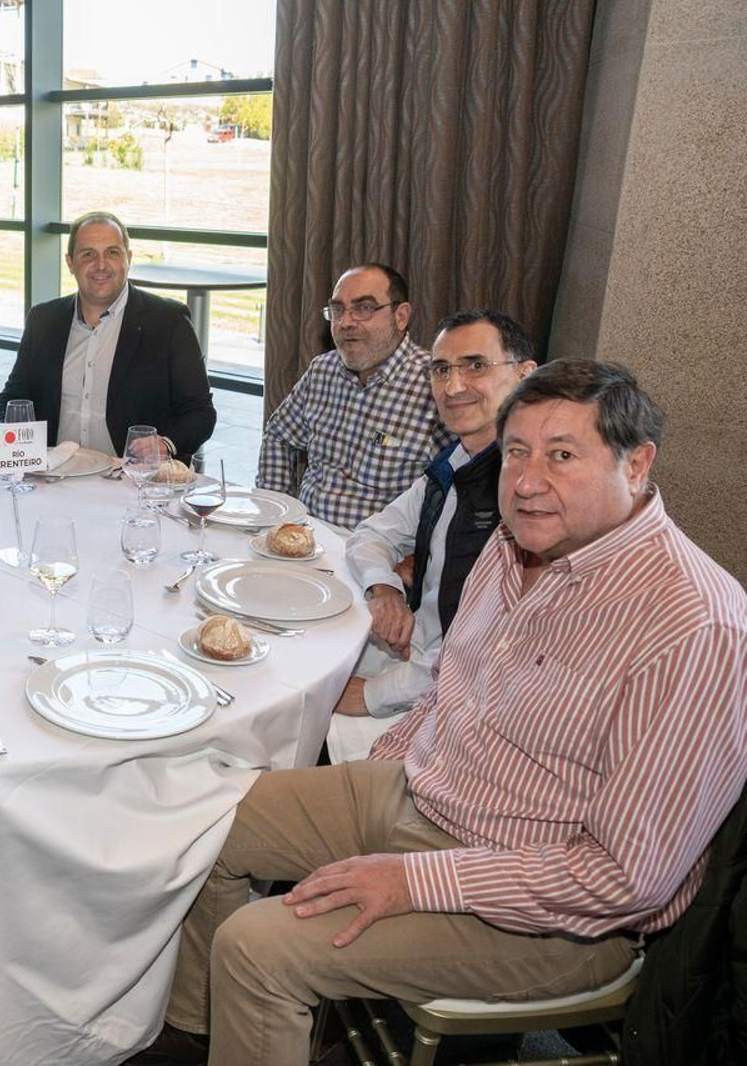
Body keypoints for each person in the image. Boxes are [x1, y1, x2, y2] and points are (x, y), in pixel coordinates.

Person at [149, 359, 747, 1066]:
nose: (526, 482)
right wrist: (382, 764)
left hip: (553, 919)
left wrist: (415, 879)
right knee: (207, 822)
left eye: (562, 455)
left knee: (259, 947)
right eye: (516, 452)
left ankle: (249, 1017)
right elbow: (456, 684)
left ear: (637, 463)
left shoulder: (692, 626)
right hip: (429, 792)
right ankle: (205, 1033)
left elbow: (625, 878)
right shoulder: (515, 542)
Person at [328, 309, 536, 763]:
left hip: (459, 703)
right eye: (442, 370)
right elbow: (371, 535)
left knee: (308, 723)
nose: (454, 386)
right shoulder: (456, 463)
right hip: (415, 650)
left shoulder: (525, 497)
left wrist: (375, 695)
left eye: (475, 366)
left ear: (524, 376)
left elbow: (487, 648)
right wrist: (384, 589)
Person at [0, 210, 215, 458]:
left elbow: (200, 412)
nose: (100, 265)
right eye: (88, 254)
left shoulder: (168, 321)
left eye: (112, 252)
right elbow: (14, 396)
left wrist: (165, 445)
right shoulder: (43, 320)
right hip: (53, 477)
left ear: (127, 259)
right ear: (70, 262)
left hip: (132, 480)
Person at [257, 263, 452, 529]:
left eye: (364, 308)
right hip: (306, 540)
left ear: (401, 316)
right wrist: (275, 511)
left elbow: (460, 485)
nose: (346, 322)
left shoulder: (435, 387)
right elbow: (279, 436)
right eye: (338, 310)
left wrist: (418, 552)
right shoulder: (322, 371)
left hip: (377, 555)